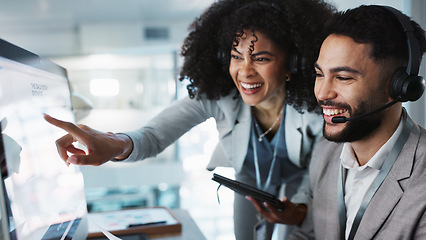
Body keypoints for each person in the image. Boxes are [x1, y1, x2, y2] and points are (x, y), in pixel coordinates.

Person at [43, 0, 335, 239]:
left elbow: (315, 178)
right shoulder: (218, 96)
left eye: (260, 58)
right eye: (236, 56)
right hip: (248, 184)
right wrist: (116, 143)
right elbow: (154, 136)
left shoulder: (315, 110)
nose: (245, 72)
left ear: (292, 63)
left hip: (302, 189)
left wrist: (299, 211)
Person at [284, 5, 426, 240]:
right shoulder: (326, 152)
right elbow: (309, 235)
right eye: (319, 74)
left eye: (343, 78)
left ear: (398, 87)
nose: (322, 93)